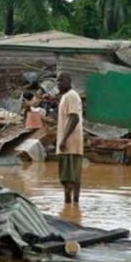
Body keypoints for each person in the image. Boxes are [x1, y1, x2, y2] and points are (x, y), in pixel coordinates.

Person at [56, 72, 84, 204]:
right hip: (73, 143)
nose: (58, 83)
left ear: (68, 81)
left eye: (61, 80)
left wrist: (63, 139)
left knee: (68, 178)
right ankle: (74, 209)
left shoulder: (71, 96)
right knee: (75, 177)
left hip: (69, 143)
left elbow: (74, 118)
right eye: (57, 81)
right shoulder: (67, 96)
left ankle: (67, 208)